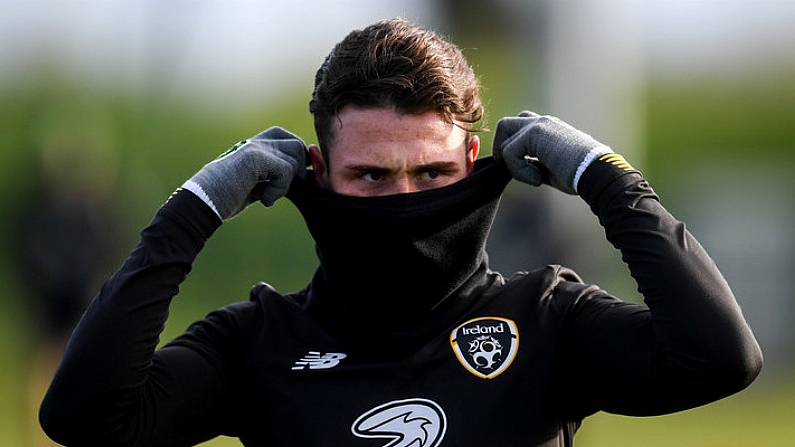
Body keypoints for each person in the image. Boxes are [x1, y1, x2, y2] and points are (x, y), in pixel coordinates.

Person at [39, 18, 762, 447]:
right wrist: (196, 205)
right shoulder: (258, 342)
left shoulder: (547, 321)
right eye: (373, 177)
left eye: (432, 174)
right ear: (319, 174)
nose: (405, 199)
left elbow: (719, 357)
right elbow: (85, 416)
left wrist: (603, 175)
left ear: (472, 162)